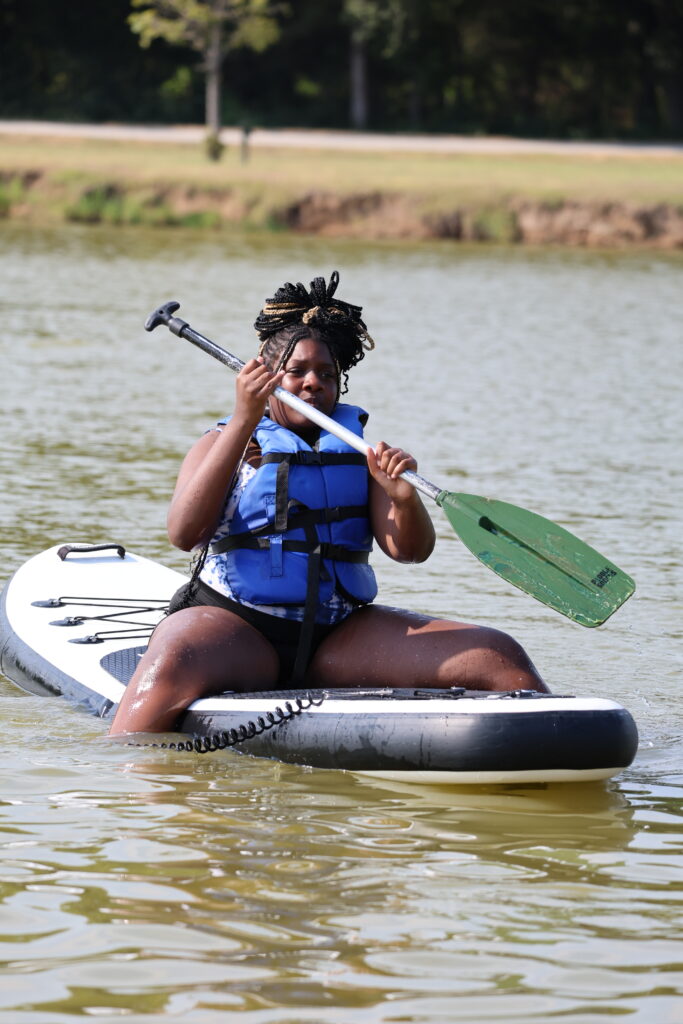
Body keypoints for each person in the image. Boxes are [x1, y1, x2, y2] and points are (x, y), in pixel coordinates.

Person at [109, 272, 547, 735]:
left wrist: (403, 497)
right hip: (238, 626)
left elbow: (411, 551)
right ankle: (127, 773)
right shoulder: (225, 441)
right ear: (266, 377)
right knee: (174, 659)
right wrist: (243, 421)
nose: (313, 383)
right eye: (296, 372)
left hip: (338, 636)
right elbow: (183, 534)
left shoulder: (361, 454)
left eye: (326, 374)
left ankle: (549, 747)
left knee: (499, 654)